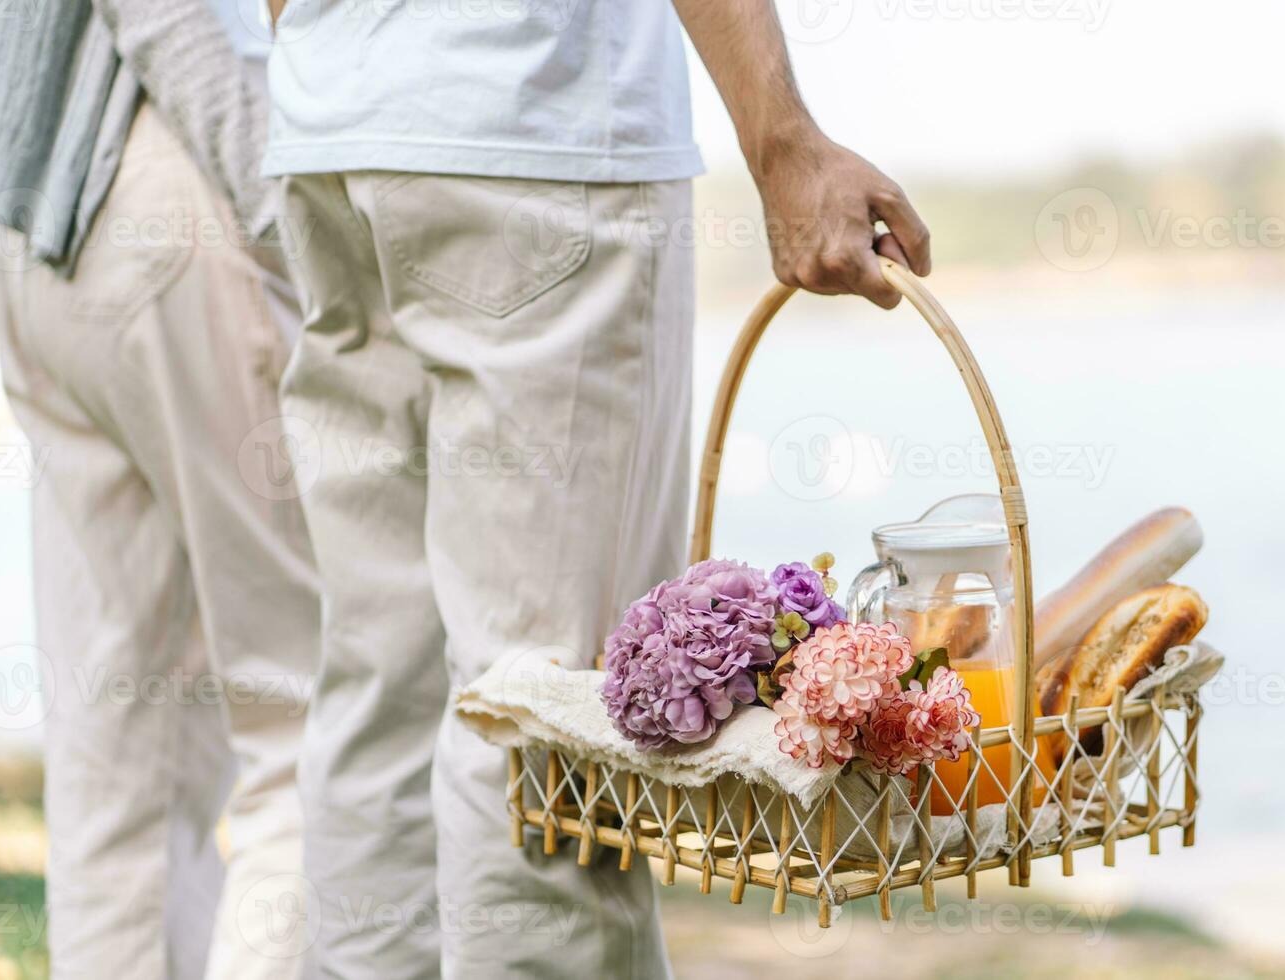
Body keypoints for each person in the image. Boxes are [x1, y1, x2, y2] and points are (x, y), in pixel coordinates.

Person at [260, 0, 931, 974]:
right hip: (530, 130)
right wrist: (782, 141)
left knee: (379, 686)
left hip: (335, 130)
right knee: (549, 720)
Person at [0, 0, 319, 975]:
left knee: (112, 771)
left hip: (39, 210)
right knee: (305, 733)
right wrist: (290, 224)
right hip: (173, 181)